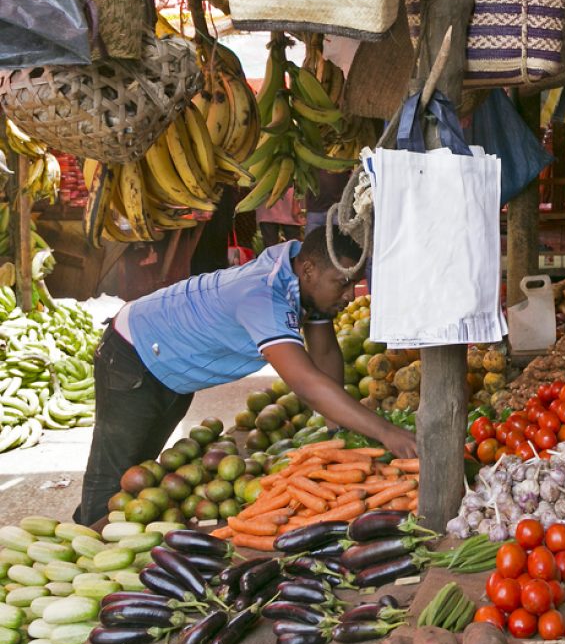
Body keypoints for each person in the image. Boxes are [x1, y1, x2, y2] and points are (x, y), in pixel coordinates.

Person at [75, 223, 415, 525]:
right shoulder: (262, 295)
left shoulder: (300, 278)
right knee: (114, 476)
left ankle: (112, 538)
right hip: (134, 352)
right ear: (309, 270)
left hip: (173, 366)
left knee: (142, 473)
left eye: (353, 285)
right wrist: (387, 432)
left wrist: (339, 432)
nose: (347, 295)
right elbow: (306, 383)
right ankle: (85, 542)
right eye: (341, 284)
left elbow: (325, 353)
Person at [305, 169, 351, 237]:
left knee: (340, 244)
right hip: (315, 210)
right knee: (311, 244)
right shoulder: (308, 159)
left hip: (338, 208)